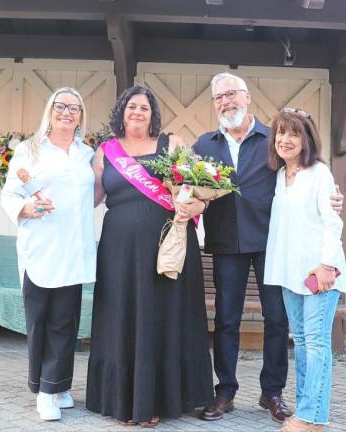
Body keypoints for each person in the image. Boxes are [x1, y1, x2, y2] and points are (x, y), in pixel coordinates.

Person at [193, 72, 343, 423]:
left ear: (247, 97)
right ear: (214, 104)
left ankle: (272, 392)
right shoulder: (204, 145)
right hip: (226, 242)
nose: (226, 101)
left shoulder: (272, 138)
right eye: (219, 97)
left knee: (277, 319)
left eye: (232, 94)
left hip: (271, 246)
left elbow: (303, 175)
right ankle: (225, 391)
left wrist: (330, 199)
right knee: (226, 319)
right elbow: (192, 188)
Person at [86, 85, 214, 427]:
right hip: (119, 251)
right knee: (123, 317)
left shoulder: (172, 144)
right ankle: (123, 400)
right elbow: (91, 198)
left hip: (167, 245)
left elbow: (199, 186)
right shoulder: (105, 152)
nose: (137, 113)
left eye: (144, 108)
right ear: (121, 113)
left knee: (162, 317)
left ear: (152, 113)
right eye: (131, 107)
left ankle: (159, 399)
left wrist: (199, 202)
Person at [1, 87, 96, 422]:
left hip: (73, 248)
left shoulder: (87, 154)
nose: (66, 112)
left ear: (81, 115)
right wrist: (28, 206)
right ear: (50, 111)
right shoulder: (29, 150)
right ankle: (43, 390)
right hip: (40, 248)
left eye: (74, 107)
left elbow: (93, 196)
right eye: (60, 106)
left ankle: (57, 386)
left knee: (65, 321)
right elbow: (10, 194)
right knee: (40, 320)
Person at [264, 109, 346, 432]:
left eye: (294, 134)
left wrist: (328, 264)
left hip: (319, 274)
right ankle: (305, 411)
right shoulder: (281, 175)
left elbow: (332, 221)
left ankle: (313, 417)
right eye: (281, 133)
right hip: (290, 273)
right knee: (300, 341)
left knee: (315, 343)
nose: (285, 140)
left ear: (306, 139)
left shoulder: (319, 173)